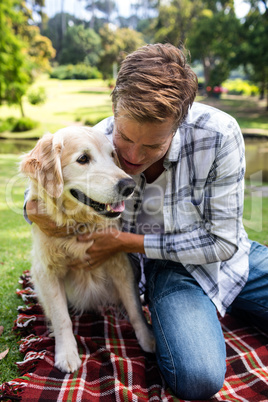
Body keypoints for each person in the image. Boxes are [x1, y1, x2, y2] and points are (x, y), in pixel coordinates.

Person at [25, 43, 268, 400]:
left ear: (178, 123)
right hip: (166, 269)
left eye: (153, 146)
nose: (133, 157)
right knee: (198, 377)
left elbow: (225, 243)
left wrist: (125, 242)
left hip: (233, 261)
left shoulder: (219, 135)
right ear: (114, 109)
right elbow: (47, 188)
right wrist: (30, 210)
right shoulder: (97, 139)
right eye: (124, 138)